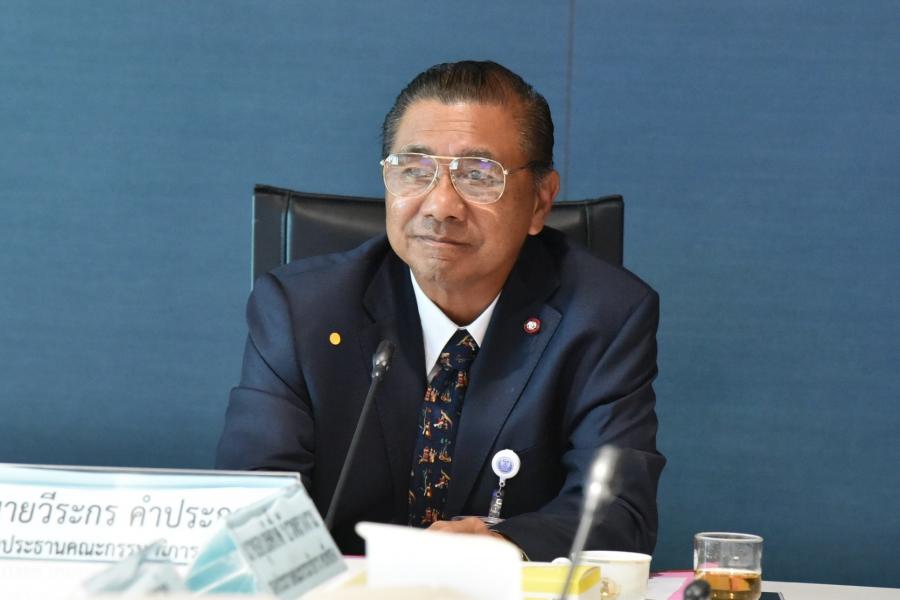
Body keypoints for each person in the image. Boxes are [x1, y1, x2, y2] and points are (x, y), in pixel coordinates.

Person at [216, 60, 665, 561]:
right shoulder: (301, 311)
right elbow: (253, 504)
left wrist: (504, 545)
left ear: (541, 201)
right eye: (415, 170)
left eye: (478, 175)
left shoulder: (604, 316)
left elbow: (619, 513)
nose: (440, 206)